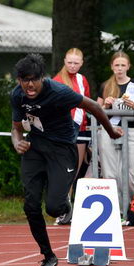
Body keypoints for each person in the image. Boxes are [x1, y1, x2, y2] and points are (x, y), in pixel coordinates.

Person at [11, 54, 121, 266]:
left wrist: (110, 131)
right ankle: (48, 256)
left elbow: (93, 106)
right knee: (31, 205)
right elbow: (16, 128)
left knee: (53, 208)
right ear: (19, 80)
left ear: (42, 78)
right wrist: (17, 142)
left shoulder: (59, 92)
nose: (29, 85)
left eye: (34, 80)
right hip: (35, 148)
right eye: (24, 80)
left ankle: (64, 204)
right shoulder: (17, 95)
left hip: (62, 150)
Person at [97, 51, 134, 201]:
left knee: (128, 175)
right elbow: (96, 111)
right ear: (112, 66)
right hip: (108, 131)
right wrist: (106, 106)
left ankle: (129, 206)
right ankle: (114, 209)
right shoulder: (105, 85)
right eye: (117, 65)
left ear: (128, 66)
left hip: (130, 131)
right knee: (109, 174)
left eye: (123, 65)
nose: (119, 68)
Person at [51, 48, 91, 225]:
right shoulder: (56, 81)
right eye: (70, 62)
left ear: (81, 63)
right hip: (64, 131)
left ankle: (68, 210)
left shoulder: (82, 79)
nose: (72, 66)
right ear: (64, 61)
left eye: (76, 63)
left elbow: (88, 103)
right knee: (63, 171)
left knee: (74, 172)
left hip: (80, 130)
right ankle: (61, 210)